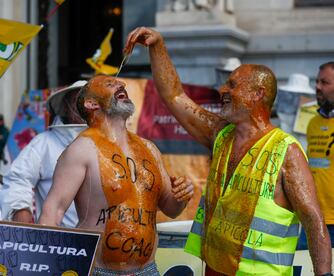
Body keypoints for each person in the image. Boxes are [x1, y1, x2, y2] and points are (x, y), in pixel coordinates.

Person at [124, 27, 331, 275]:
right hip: (214, 269)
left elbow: (313, 219)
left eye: (232, 84)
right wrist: (158, 47)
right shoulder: (220, 135)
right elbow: (175, 96)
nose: (222, 90)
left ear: (257, 94)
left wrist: (324, 273)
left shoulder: (286, 152)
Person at [39, 75, 194, 275]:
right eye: (111, 84)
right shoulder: (81, 150)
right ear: (91, 103)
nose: (121, 85)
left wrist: (182, 195)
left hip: (147, 270)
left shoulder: (149, 149)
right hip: (98, 271)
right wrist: (48, 266)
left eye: (120, 83)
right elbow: (53, 211)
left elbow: (172, 209)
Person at [0, 81, 87, 226]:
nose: (85, 106)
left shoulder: (117, 143)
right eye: (78, 100)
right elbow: (18, 179)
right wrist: (20, 210)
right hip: (58, 241)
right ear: (66, 106)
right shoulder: (43, 144)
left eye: (91, 101)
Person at [301, 61, 334, 250]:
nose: (318, 87)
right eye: (317, 82)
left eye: (325, 82)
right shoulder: (312, 122)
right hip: (313, 218)